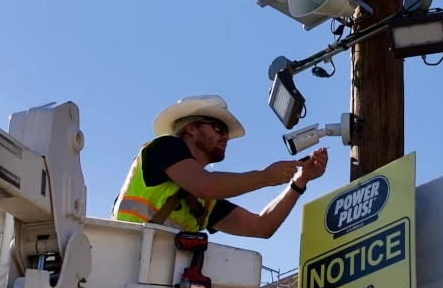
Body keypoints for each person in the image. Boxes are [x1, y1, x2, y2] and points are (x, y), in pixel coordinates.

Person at [115, 94, 327, 240]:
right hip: (124, 259)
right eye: (218, 128)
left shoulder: (204, 203)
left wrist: (299, 182)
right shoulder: (165, 146)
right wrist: (265, 177)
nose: (225, 136)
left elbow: (261, 227)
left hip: (157, 278)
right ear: (192, 128)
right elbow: (205, 185)